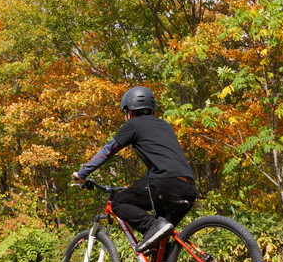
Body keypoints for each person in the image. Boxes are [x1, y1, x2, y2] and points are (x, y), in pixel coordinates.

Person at [72, 86, 197, 252]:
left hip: (163, 182)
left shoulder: (134, 124)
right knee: (160, 242)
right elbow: (162, 158)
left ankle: (152, 225)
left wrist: (82, 173)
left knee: (119, 203)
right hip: (188, 187)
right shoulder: (164, 126)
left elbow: (108, 150)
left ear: (129, 110)